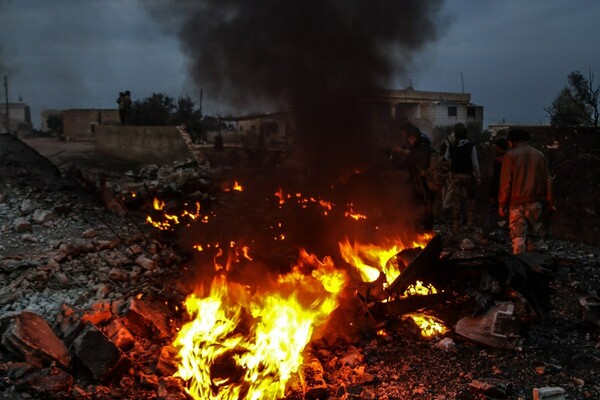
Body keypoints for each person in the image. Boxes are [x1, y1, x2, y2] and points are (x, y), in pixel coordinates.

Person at [498, 128, 557, 254]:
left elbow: (505, 184)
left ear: (511, 142)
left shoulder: (511, 155)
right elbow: (549, 181)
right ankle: (535, 268)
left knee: (518, 239)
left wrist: (501, 204)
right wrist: (551, 203)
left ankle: (521, 269)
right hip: (537, 203)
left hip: (517, 203)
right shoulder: (540, 155)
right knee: (535, 240)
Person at [391, 122, 435, 231]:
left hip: (419, 184)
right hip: (430, 184)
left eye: (407, 138)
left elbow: (403, 165)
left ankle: (418, 230)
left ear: (412, 137)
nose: (408, 141)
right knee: (428, 208)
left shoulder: (416, 151)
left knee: (415, 207)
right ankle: (427, 230)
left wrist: (391, 160)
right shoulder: (428, 148)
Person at [444, 122, 481, 232]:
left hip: (455, 176)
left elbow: (446, 159)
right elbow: (475, 164)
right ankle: (470, 224)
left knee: (456, 201)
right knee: (470, 199)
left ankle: (456, 225)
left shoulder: (451, 146)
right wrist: (478, 177)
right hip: (468, 175)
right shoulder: (470, 146)